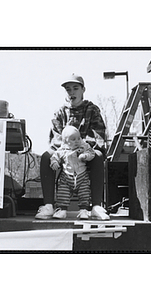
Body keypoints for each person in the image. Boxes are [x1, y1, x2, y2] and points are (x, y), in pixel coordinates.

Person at [35, 73, 110, 220]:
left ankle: (95, 205)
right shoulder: (60, 112)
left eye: (75, 88)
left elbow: (98, 136)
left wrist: (82, 149)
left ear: (83, 90)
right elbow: (55, 138)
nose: (72, 92)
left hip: (85, 151)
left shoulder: (92, 110)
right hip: (64, 152)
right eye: (68, 89)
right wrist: (66, 152)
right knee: (46, 156)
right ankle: (49, 205)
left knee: (99, 156)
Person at [50, 125, 95, 219]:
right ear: (66, 141)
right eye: (73, 139)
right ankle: (62, 210)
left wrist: (85, 156)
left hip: (81, 176)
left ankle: (84, 210)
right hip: (67, 177)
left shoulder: (84, 146)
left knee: (85, 193)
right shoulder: (62, 150)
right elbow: (55, 156)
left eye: (79, 138)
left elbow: (92, 153)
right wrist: (54, 162)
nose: (77, 141)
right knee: (63, 193)